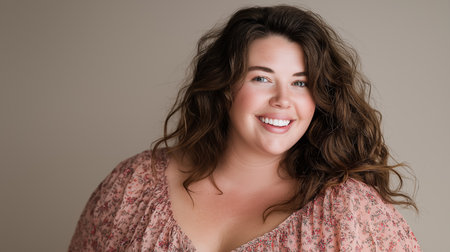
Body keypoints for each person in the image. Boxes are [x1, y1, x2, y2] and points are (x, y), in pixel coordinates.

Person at [69, 5, 420, 251]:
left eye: (301, 83)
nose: (283, 99)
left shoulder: (349, 212)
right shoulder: (133, 186)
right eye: (262, 78)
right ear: (225, 87)